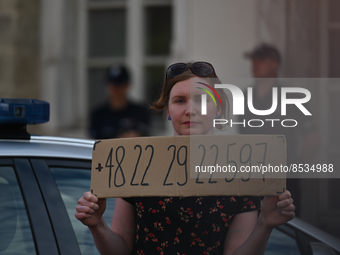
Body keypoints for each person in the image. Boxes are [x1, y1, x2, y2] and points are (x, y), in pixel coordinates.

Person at [76, 61, 295, 255]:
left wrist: (265, 224)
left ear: (218, 108)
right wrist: (98, 226)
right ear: (168, 110)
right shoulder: (138, 162)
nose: (190, 110)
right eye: (180, 100)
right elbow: (120, 250)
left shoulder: (238, 170)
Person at [240, 43, 320, 216]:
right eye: (253, 60)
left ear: (275, 64)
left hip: (284, 182)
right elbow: (243, 139)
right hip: (252, 181)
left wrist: (295, 169)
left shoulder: (291, 96)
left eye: (260, 60)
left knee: (287, 231)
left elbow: (312, 138)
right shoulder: (245, 96)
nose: (254, 65)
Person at [89, 65, 150, 139]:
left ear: (127, 85)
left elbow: (145, 137)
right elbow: (94, 142)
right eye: (111, 84)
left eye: (118, 84)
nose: (114, 88)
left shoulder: (140, 112)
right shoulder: (98, 115)